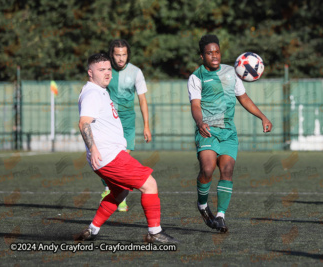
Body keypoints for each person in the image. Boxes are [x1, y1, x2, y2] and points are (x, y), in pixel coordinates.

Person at [75, 53, 177, 243]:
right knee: (150, 185)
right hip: (109, 156)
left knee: (120, 193)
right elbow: (83, 124)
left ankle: (92, 230)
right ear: (90, 73)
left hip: (108, 155)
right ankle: (155, 232)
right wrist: (94, 148)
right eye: (101, 70)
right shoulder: (92, 93)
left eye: (108, 69)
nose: (107, 73)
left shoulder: (99, 90)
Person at [187, 35, 273, 233]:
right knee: (208, 169)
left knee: (227, 171)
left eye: (217, 52)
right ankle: (202, 205)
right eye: (209, 53)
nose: (214, 56)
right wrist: (200, 122)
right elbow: (196, 105)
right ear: (202, 56)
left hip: (228, 133)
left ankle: (220, 216)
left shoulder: (232, 72)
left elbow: (243, 98)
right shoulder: (196, 77)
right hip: (207, 131)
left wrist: (263, 117)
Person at [99, 39, 152, 212]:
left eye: (124, 54)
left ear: (128, 55)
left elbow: (142, 99)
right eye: (117, 55)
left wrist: (146, 126)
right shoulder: (104, 70)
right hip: (109, 120)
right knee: (108, 158)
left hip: (128, 120)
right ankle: (114, 193)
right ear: (111, 55)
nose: (121, 58)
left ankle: (115, 192)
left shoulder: (136, 72)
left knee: (122, 160)